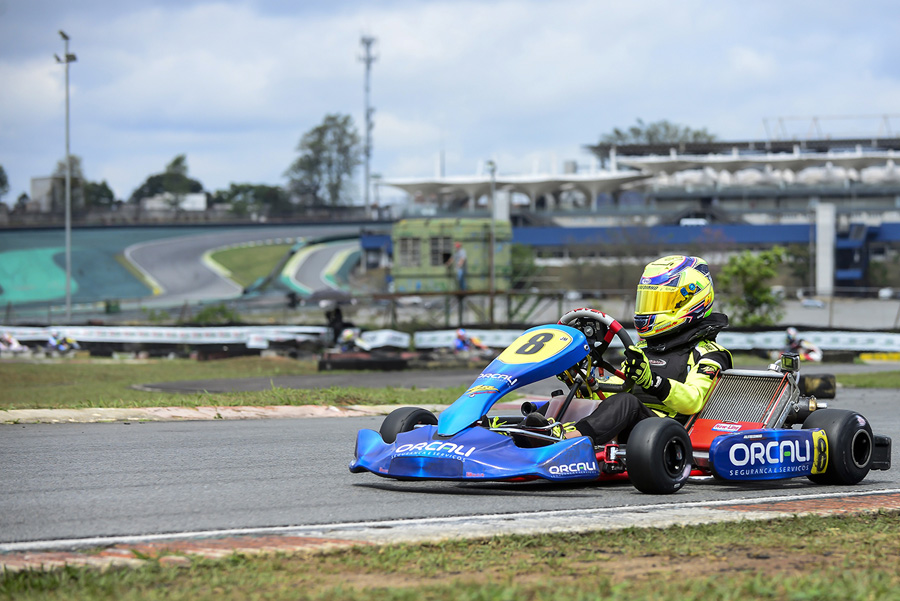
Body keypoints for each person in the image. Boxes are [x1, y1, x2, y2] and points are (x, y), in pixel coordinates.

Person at [529, 255, 733, 447]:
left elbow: (693, 401)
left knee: (627, 402)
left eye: (659, 302)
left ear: (689, 301)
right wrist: (582, 380)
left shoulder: (709, 353)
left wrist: (652, 382)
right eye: (648, 300)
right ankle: (525, 433)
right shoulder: (644, 349)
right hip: (632, 428)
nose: (649, 309)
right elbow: (617, 387)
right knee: (564, 400)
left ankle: (564, 440)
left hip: (667, 433)